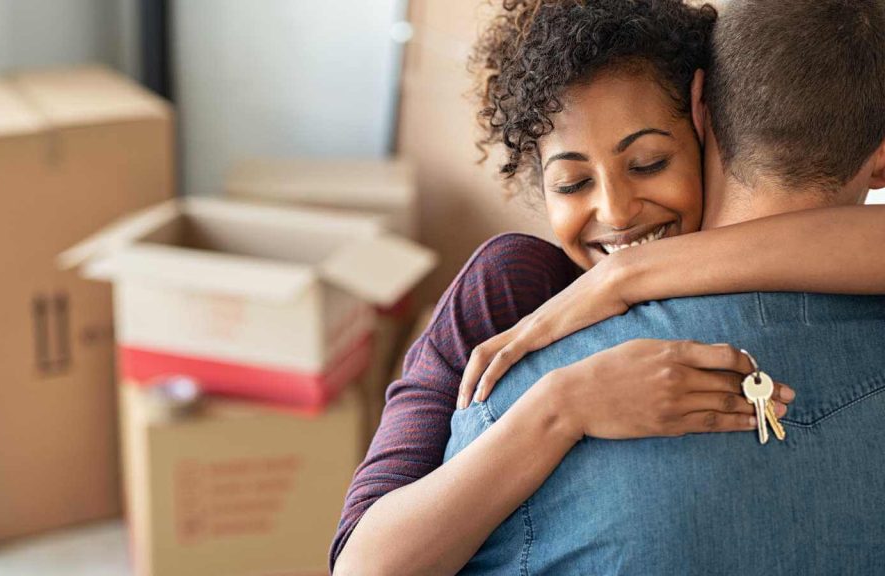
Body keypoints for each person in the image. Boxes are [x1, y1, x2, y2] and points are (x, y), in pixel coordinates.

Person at [331, 0, 885, 573]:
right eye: (571, 183)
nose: (617, 212)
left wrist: (628, 276)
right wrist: (560, 407)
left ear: (703, 123)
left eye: (648, 163)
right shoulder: (510, 291)